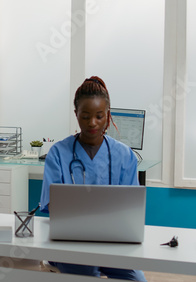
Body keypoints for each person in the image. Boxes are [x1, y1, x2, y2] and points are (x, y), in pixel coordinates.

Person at [39, 76, 147, 281]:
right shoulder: (58, 153)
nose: (92, 123)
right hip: (70, 242)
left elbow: (131, 207)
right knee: (88, 274)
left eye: (99, 116)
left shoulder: (125, 155)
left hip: (113, 242)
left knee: (137, 279)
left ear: (108, 114)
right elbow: (52, 205)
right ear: (76, 114)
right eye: (85, 116)